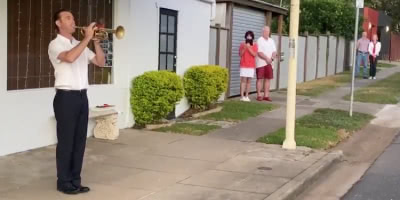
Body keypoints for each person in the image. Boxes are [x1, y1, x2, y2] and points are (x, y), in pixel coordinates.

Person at [48, 9, 105, 195]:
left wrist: (95, 42)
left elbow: (100, 62)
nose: (73, 21)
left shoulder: (79, 44)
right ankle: (63, 182)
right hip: (66, 97)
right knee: (66, 142)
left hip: (82, 96)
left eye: (72, 17)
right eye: (68, 18)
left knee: (79, 141)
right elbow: (70, 58)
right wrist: (87, 38)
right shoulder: (55, 44)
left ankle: (75, 181)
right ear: (58, 23)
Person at [255, 26, 276, 101]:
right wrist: (267, 58)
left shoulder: (271, 40)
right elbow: (259, 52)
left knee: (268, 79)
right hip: (261, 63)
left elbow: (274, 51)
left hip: (270, 63)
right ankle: (259, 95)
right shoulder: (259, 40)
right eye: (265, 31)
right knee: (259, 79)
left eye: (268, 31)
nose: (267, 33)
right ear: (262, 32)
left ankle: (266, 95)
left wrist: (271, 59)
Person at [239, 31, 258, 102]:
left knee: (249, 81)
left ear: (252, 37)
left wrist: (249, 48)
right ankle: (242, 96)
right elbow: (240, 54)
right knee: (243, 80)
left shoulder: (255, 45)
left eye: (250, 36)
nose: (249, 37)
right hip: (243, 64)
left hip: (251, 65)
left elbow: (254, 54)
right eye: (248, 36)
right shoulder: (242, 44)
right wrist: (245, 48)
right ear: (245, 37)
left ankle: (247, 96)